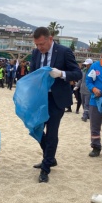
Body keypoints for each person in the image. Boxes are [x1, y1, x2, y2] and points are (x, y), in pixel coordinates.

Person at [29, 27, 82, 183]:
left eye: (42, 44)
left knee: (51, 133)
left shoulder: (64, 52)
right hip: (41, 98)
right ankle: (50, 157)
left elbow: (77, 73)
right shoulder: (36, 53)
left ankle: (46, 168)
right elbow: (32, 74)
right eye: (37, 44)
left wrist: (61, 74)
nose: (39, 48)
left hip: (56, 99)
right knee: (35, 129)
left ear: (50, 39)